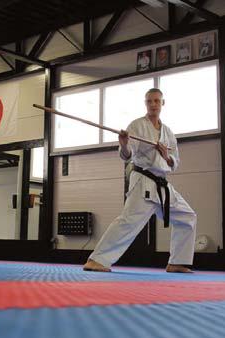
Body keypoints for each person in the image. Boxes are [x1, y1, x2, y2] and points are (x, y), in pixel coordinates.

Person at [83, 88, 197, 273]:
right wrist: (124, 144)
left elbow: (174, 163)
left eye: (157, 101)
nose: (153, 104)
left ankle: (177, 261)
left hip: (162, 184)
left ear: (162, 103)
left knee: (187, 216)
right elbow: (127, 155)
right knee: (128, 221)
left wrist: (166, 155)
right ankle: (97, 260)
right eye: (150, 101)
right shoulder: (136, 126)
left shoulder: (168, 132)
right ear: (145, 103)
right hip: (143, 180)